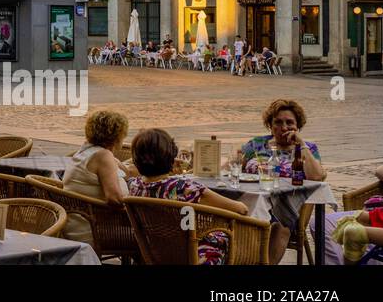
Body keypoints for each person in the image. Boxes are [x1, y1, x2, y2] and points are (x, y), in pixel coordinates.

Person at [126, 128, 247, 264]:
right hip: (194, 256)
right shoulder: (183, 188)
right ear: (171, 157)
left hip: (157, 254)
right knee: (238, 234)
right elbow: (240, 209)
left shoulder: (133, 186)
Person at [60, 109, 132, 242]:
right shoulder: (103, 156)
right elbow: (115, 199)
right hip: (94, 229)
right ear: (117, 136)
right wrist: (138, 214)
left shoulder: (87, 151)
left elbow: (127, 173)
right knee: (151, 235)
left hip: (76, 224)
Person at [237, 99, 327, 181]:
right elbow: (229, 170)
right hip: (253, 196)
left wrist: (301, 144)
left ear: (298, 126)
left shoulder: (309, 149)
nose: (284, 128)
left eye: (289, 122)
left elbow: (317, 178)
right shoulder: (256, 144)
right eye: (278, 122)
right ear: (270, 126)